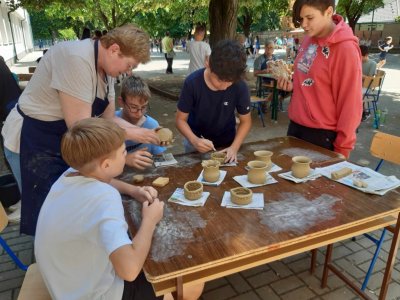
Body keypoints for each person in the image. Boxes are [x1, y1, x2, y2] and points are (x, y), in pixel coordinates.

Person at [1, 24, 161, 236]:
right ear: (114, 49)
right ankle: (48, 263)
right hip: (34, 141)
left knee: (71, 210)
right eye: (129, 65)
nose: (129, 72)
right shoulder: (75, 59)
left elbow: (109, 118)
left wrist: (142, 132)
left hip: (65, 138)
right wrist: (132, 136)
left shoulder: (108, 71)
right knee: (48, 214)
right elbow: (82, 130)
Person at [35, 118, 204, 300]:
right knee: (192, 282)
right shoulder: (105, 197)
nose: (126, 156)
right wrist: (150, 220)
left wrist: (133, 190)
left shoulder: (70, 173)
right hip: (97, 294)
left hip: (67, 284)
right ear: (106, 164)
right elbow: (129, 271)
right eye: (123, 152)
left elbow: (101, 177)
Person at [277, 0, 362, 159]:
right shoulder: (310, 37)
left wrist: (342, 150)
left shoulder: (345, 49)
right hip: (296, 128)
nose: (304, 24)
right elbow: (308, 78)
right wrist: (292, 85)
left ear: (329, 12)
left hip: (322, 137)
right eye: (301, 19)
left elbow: (351, 105)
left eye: (309, 18)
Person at [176, 39, 252, 163]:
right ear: (208, 64)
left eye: (229, 82)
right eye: (220, 80)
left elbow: (246, 121)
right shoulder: (192, 83)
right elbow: (180, 120)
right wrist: (194, 140)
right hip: (195, 143)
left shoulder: (240, 86)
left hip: (227, 144)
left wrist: (234, 147)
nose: (224, 87)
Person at [116, 75, 166, 170]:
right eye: (134, 107)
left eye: (143, 107)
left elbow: (160, 160)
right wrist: (125, 159)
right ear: (121, 102)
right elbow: (98, 161)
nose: (139, 114)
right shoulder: (109, 123)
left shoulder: (152, 125)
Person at [253, 39, 286, 112]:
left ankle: (273, 101)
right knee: (279, 86)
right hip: (264, 81)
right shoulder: (259, 59)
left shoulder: (276, 58)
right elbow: (255, 73)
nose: (270, 49)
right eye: (268, 47)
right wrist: (263, 71)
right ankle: (269, 102)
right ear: (265, 47)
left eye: (272, 48)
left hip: (275, 80)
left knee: (286, 87)